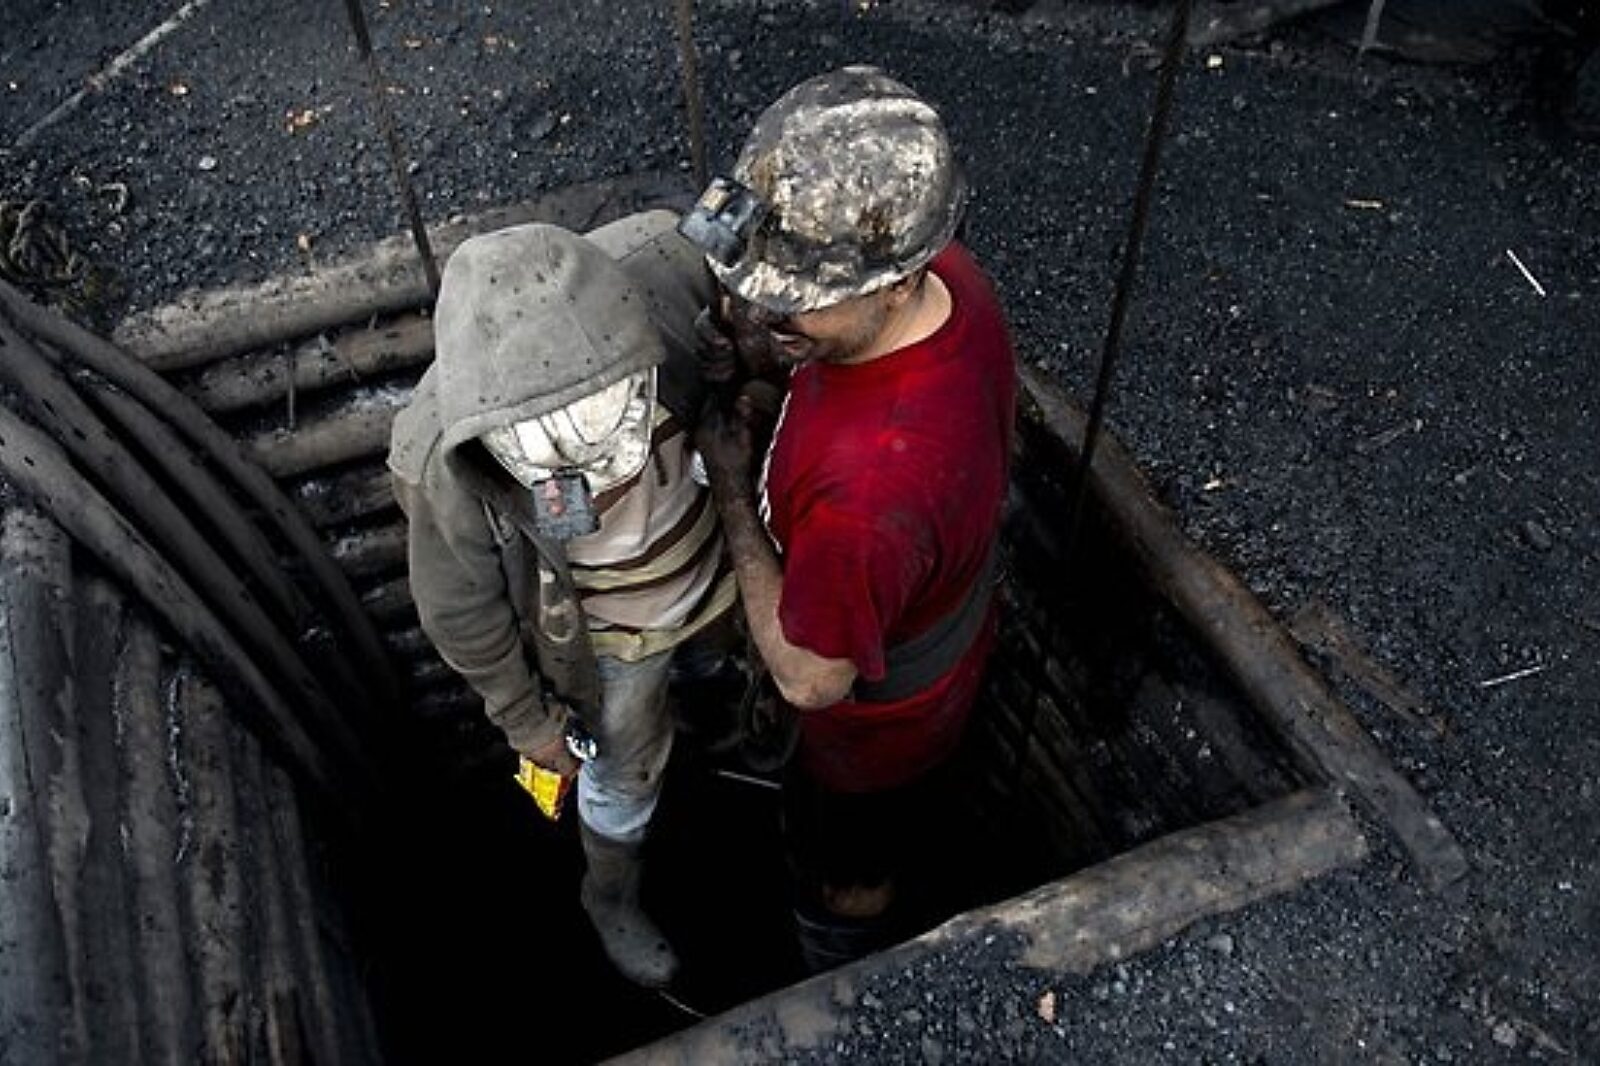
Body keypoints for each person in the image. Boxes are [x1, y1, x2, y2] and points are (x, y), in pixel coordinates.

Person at [680, 66, 1018, 970]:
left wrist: (730, 488)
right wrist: (771, 358)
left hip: (875, 735)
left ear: (897, 282)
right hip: (934, 618)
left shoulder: (869, 495)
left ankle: (848, 972)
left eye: (793, 299)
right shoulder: (947, 274)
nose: (761, 312)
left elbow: (809, 679)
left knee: (847, 860)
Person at [387, 210, 736, 988]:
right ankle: (611, 896)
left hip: (718, 578)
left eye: (617, 436)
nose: (604, 476)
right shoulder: (443, 459)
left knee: (721, 684)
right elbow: (463, 611)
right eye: (567, 464)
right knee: (622, 768)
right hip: (607, 642)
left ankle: (725, 762)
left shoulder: (674, 276)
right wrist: (528, 721)